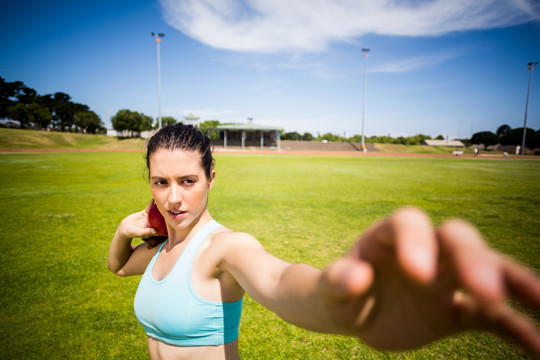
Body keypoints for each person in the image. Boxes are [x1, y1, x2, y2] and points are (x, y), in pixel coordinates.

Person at [108, 123, 540, 360]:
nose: (174, 198)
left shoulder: (225, 247)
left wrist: (348, 304)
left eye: (187, 180)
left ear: (211, 178)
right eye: (160, 182)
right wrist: (123, 232)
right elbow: (118, 266)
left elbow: (280, 282)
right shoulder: (160, 247)